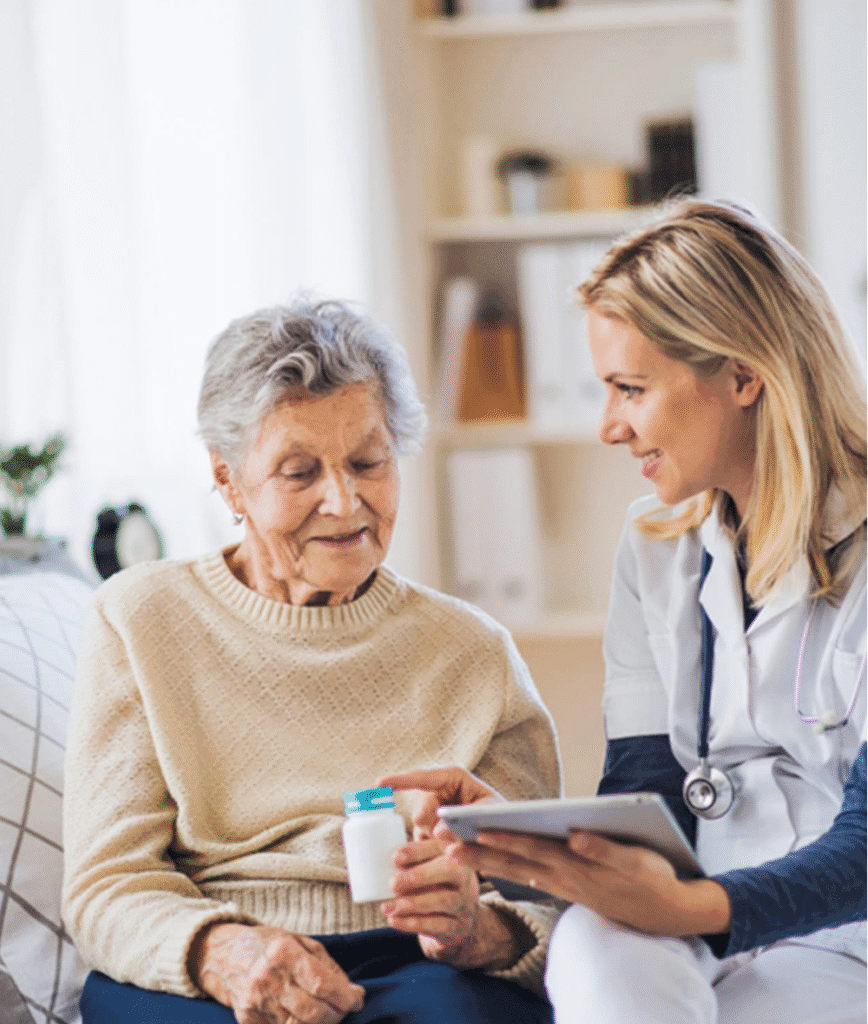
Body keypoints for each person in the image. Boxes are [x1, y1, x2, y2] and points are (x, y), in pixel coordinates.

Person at [383, 198, 867, 1024]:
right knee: (595, 952)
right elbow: (650, 794)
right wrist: (526, 845)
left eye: (630, 388)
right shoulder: (654, 545)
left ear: (744, 375)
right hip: (687, 915)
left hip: (839, 928)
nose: (608, 426)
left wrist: (695, 909)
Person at [61, 296, 563, 1023]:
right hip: (212, 956)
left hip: (415, 962)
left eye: (369, 461)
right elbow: (108, 885)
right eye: (299, 473)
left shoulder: (472, 652)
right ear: (228, 480)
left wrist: (479, 933)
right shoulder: (141, 619)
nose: (345, 501)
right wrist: (223, 953)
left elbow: (550, 901)